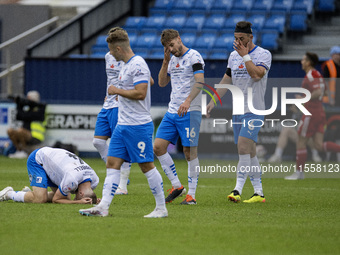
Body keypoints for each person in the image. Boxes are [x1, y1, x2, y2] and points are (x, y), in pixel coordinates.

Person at [79, 27, 167, 218]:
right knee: (112, 163)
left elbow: (141, 93)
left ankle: (161, 208)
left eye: (111, 50)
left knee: (146, 166)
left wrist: (116, 91)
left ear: (118, 48)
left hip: (138, 126)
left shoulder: (138, 65)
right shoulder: (126, 65)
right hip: (123, 125)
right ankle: (103, 207)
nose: (110, 54)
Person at [207, 21, 272, 203]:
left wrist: (245, 56)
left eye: (241, 39)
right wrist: (212, 101)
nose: (238, 42)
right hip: (238, 110)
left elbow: (257, 75)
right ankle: (259, 193)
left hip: (255, 109)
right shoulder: (233, 56)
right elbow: (226, 80)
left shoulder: (263, 54)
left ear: (251, 37)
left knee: (242, 146)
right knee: (250, 152)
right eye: (235, 39)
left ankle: (237, 189)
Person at [153, 29, 205, 205]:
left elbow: (200, 81)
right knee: (158, 147)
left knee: (189, 152)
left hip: (190, 111)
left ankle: (192, 195)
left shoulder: (194, 56)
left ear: (179, 39)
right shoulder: (171, 59)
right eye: (168, 47)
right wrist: (166, 61)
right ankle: (177, 186)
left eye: (172, 45)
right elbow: (161, 83)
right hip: (172, 111)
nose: (172, 49)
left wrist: (188, 101)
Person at [285, 52, 340, 180]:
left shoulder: (311, 75)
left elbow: (318, 92)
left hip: (311, 112)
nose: (301, 62)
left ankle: (299, 173)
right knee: (318, 145)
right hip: (320, 111)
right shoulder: (318, 75)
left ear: (309, 62)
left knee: (301, 141)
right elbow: (324, 91)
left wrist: (302, 100)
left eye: (304, 60)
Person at [92, 28, 131, 195]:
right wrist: (106, 94)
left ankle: (122, 184)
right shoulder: (108, 57)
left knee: (120, 143)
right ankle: (117, 172)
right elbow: (110, 79)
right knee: (98, 142)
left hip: (120, 105)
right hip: (107, 104)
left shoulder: (128, 59)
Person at [0, 147, 99, 204]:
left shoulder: (95, 180)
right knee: (40, 199)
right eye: (78, 197)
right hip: (38, 159)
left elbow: (79, 192)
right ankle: (8, 194)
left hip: (54, 164)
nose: (75, 198)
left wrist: (95, 201)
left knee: (65, 198)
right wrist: (77, 202)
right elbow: (56, 200)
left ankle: (30, 193)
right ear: (81, 194)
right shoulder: (72, 178)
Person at [7, 91, 46, 159]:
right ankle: (19, 151)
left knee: (20, 131)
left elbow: (28, 116)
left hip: (36, 136)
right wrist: (19, 105)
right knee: (10, 131)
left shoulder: (40, 109)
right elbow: (19, 116)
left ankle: (24, 151)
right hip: (25, 134)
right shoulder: (28, 109)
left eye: (28, 99)